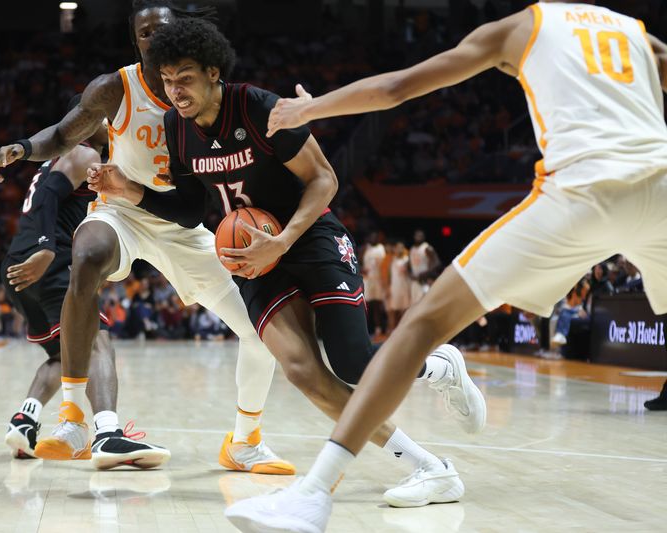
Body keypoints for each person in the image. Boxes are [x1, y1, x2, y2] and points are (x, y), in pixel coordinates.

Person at [228, 1, 667, 530]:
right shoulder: (636, 32)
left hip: (581, 191)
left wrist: (310, 110)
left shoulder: (524, 25)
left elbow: (397, 89)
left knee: (423, 325)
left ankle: (314, 496)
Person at [87, 17, 486, 508]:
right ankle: (430, 468)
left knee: (354, 364)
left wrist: (284, 240)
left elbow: (324, 180)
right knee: (301, 370)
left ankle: (438, 368)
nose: (174, 90)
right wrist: (131, 190)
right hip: (252, 256)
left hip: (308, 234)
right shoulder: (176, 125)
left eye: (185, 76)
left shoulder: (258, 107)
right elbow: (191, 209)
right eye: (167, 80)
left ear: (214, 72)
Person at [0, 0, 292, 474]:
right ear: (136, 42)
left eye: (162, 30)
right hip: (120, 211)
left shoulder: (196, 96)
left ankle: (245, 440)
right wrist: (25, 147)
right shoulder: (115, 88)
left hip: (178, 222)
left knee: (261, 331)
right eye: (144, 33)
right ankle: (72, 418)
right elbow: (66, 135)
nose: (153, 39)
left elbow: (197, 201)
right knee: (87, 253)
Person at [2, 96, 170, 469]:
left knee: (65, 356)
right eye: (103, 118)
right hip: (47, 261)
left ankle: (25, 420)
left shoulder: (58, 160)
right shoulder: (84, 153)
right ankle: (107, 433)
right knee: (97, 341)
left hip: (17, 264)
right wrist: (47, 249)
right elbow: (47, 196)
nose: (111, 125)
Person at [361, 232, 387, 337]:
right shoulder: (365, 249)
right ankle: (365, 329)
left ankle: (379, 329)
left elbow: (385, 266)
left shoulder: (381, 248)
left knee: (378, 305)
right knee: (365, 305)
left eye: (375, 237)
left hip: (379, 280)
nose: (373, 238)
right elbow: (358, 261)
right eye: (371, 237)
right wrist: (362, 269)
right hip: (367, 280)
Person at [409, 229, 440, 304]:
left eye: (420, 236)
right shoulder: (412, 249)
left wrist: (425, 274)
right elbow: (409, 264)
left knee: (424, 305)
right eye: (417, 235)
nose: (418, 237)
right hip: (415, 281)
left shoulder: (427, 248)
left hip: (424, 281)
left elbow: (437, 263)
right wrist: (410, 274)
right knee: (414, 305)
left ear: (424, 237)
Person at [386, 241, 412, 331]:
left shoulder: (406, 259)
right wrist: (388, 286)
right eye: (397, 248)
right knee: (394, 309)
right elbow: (389, 274)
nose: (398, 250)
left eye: (401, 248)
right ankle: (394, 329)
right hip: (394, 287)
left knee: (404, 309)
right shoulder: (393, 260)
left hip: (404, 286)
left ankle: (404, 329)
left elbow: (410, 273)